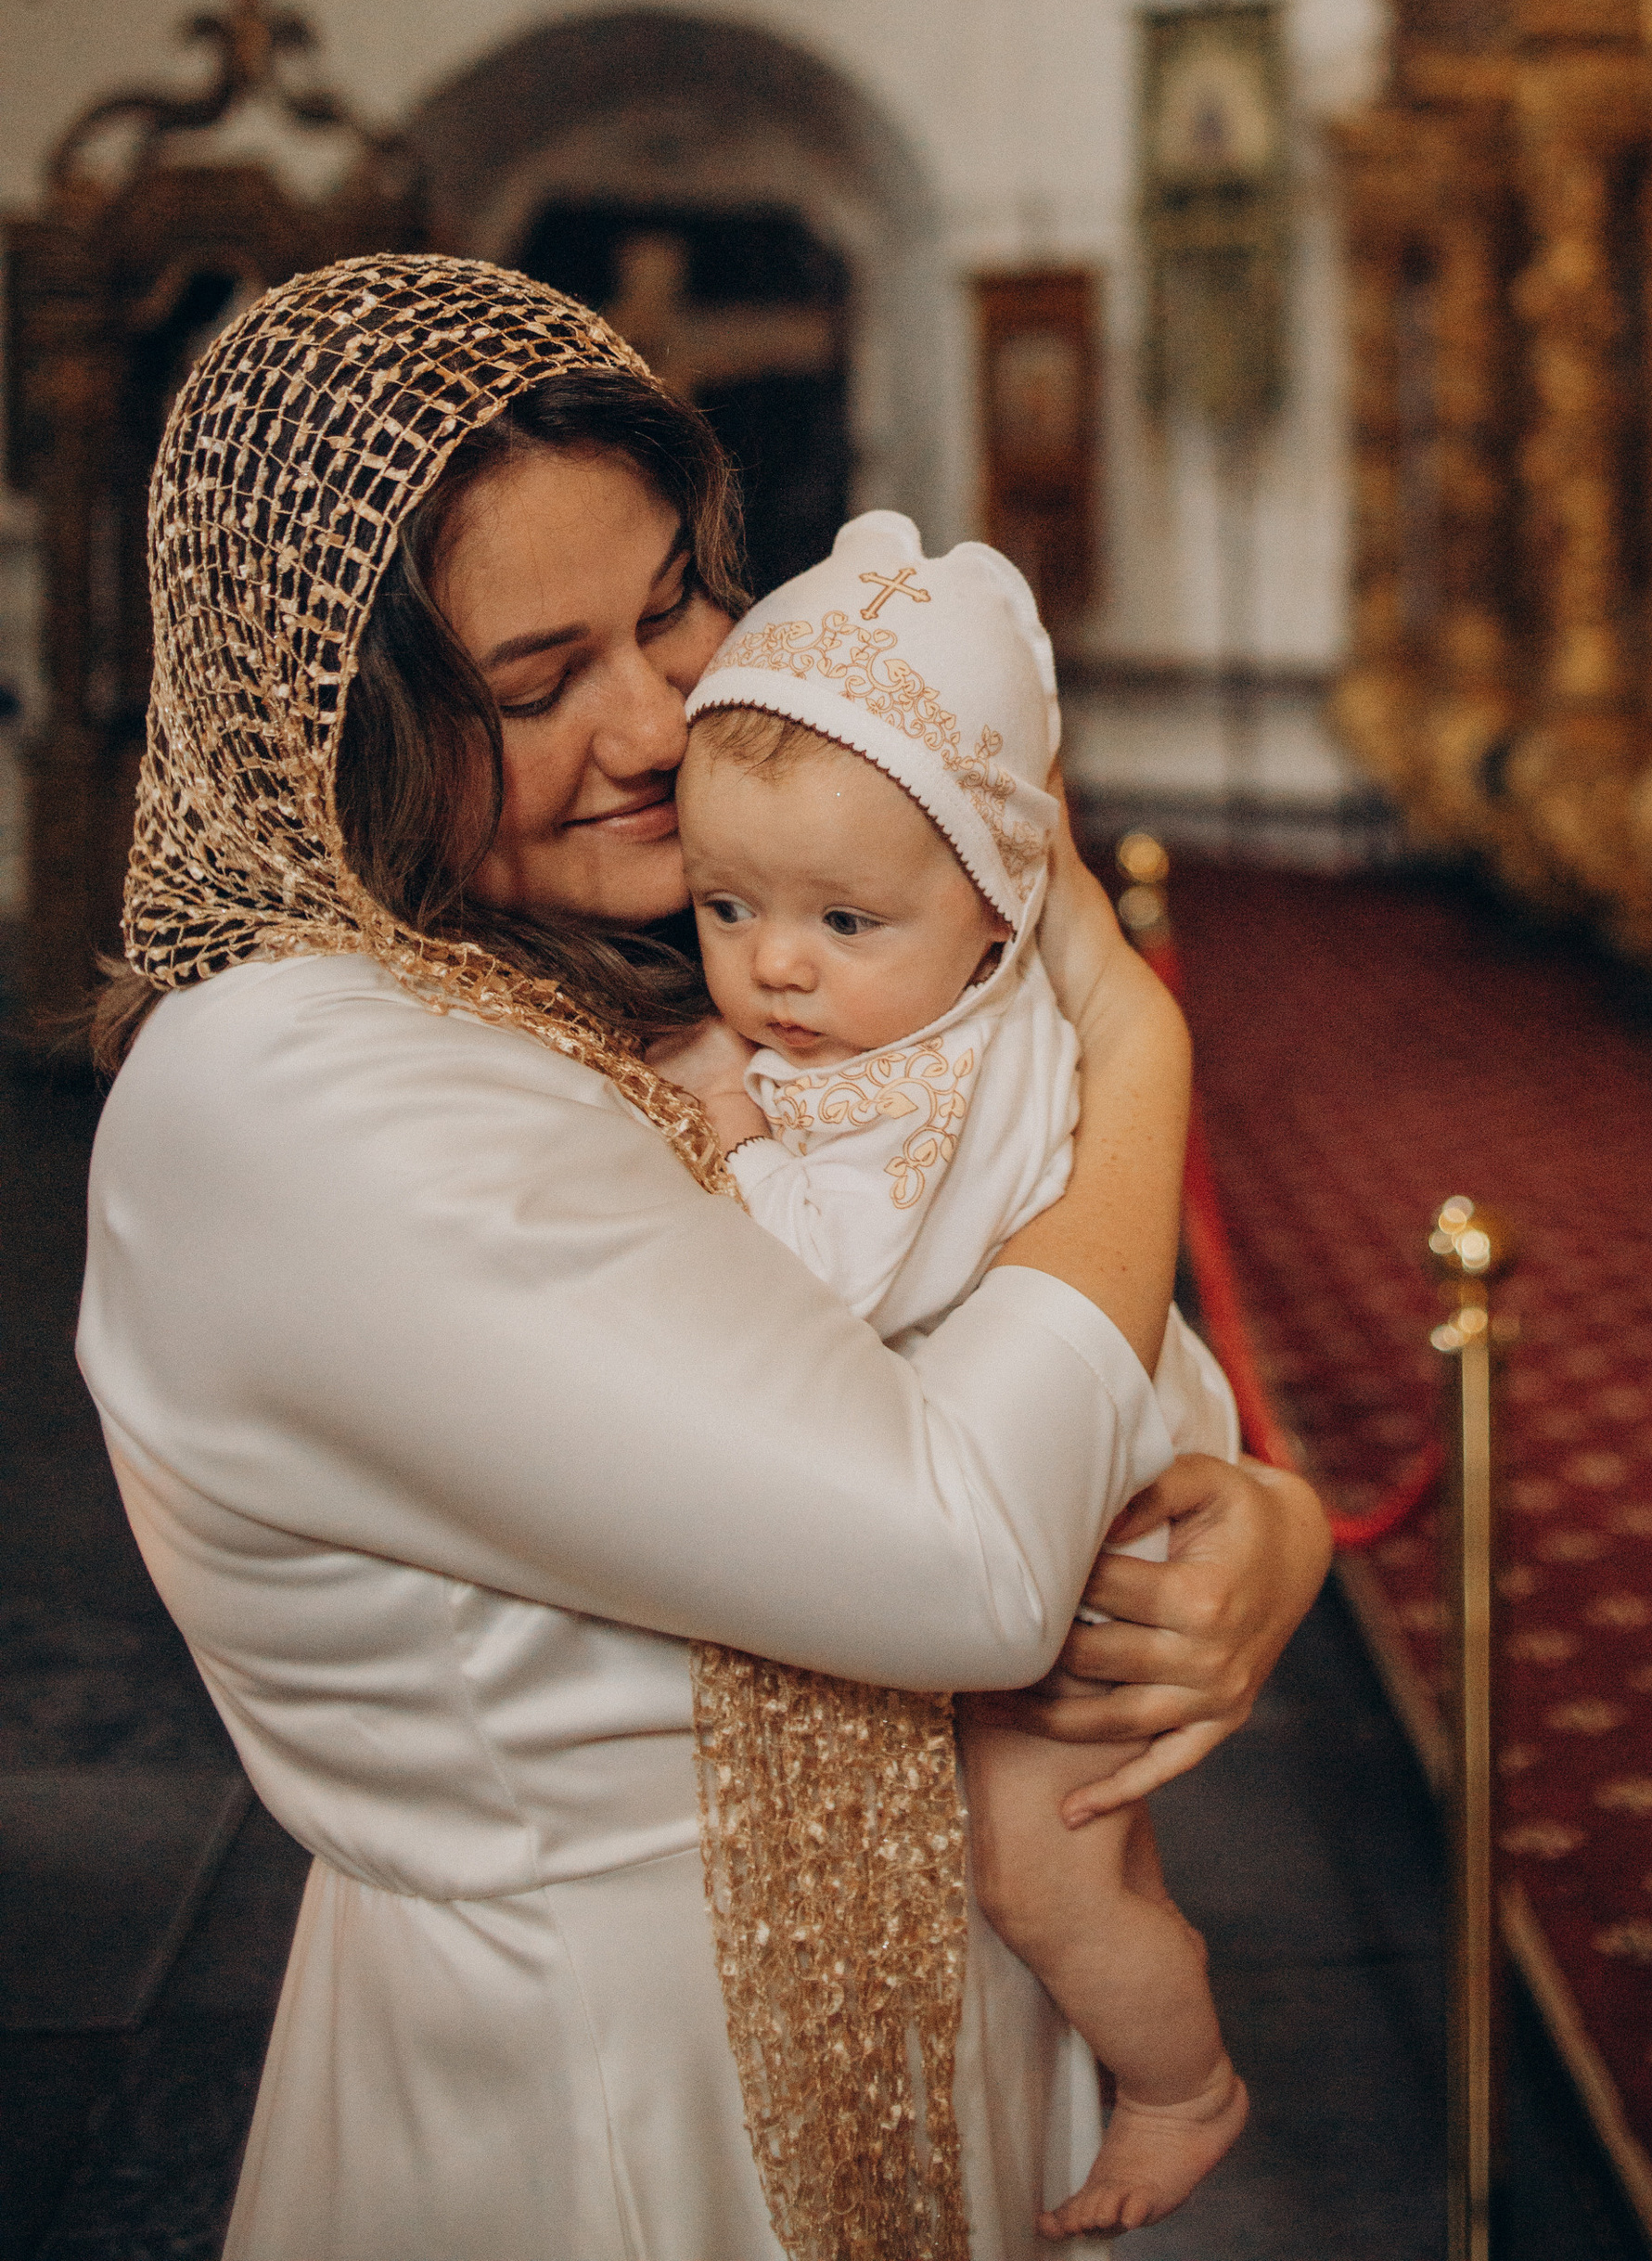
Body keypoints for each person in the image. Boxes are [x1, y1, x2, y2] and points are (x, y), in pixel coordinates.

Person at [74, 254, 1329, 2261]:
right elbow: (964, 1550)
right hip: (605, 2102)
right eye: (536, 681)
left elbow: (940, 1324)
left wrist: (1255, 1532)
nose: (660, 717)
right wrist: (1138, 1036)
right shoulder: (288, 1091)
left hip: (927, 1997)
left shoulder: (657, 954)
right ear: (334, 722)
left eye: (671, 600)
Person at [665, 517, 1248, 2240]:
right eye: (726, 906)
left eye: (842, 917)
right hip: (1054, 1431)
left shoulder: (945, 1080)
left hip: (1096, 1499)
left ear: (994, 914)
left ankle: (1185, 2083)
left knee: (1046, 1871)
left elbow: (835, 1284)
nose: (776, 965)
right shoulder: (897, 1008)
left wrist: (728, 1142)